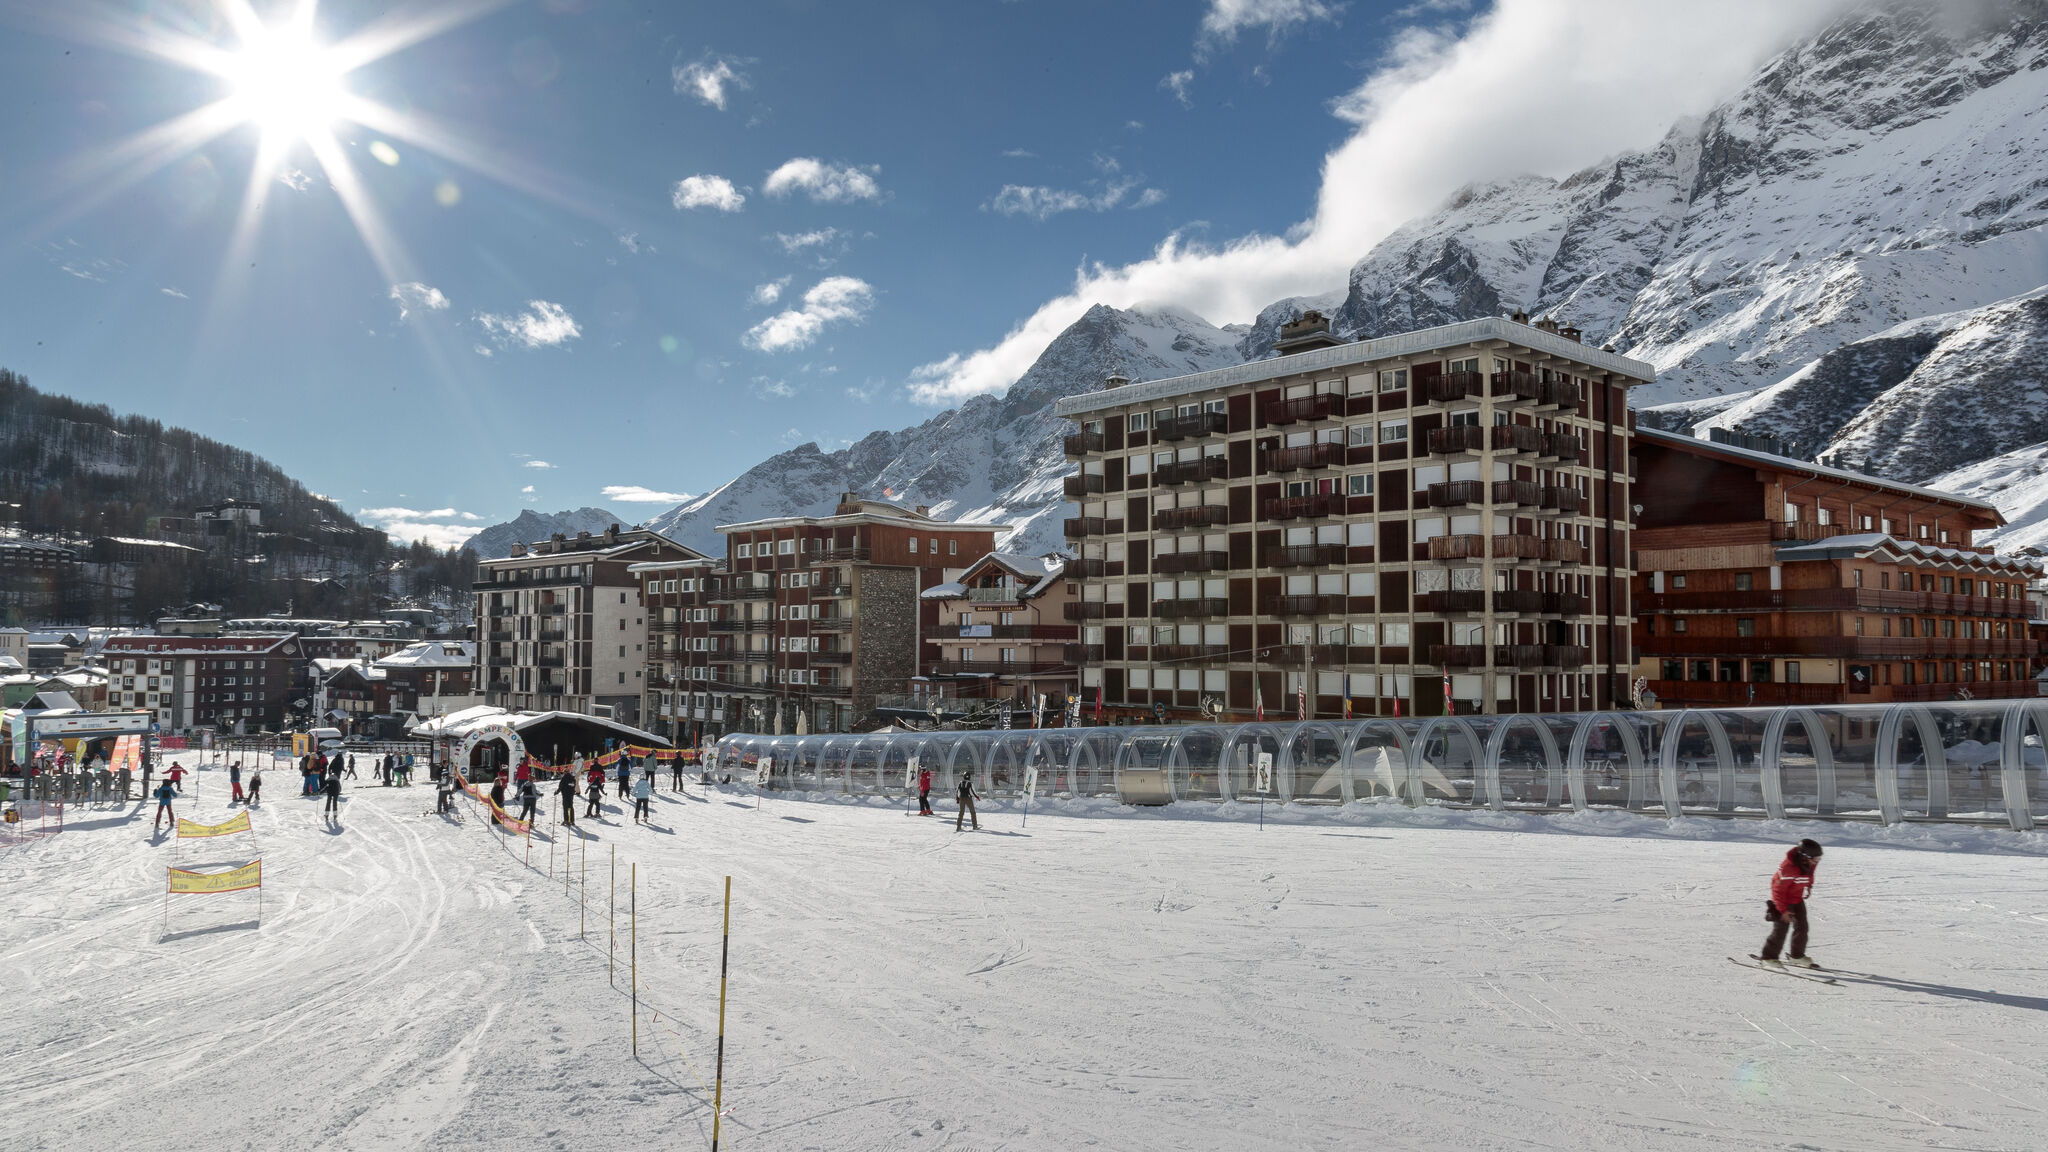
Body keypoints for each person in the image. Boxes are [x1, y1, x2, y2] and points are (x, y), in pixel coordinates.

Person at [1759, 838, 1824, 969]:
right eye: (1816, 859)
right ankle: (1768, 957)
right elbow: (1778, 890)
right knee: (1781, 930)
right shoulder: (1788, 867)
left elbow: (1810, 874)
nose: (1817, 862)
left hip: (1797, 898)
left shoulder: (1809, 862)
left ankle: (1796, 956)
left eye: (1819, 859)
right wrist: (1782, 910)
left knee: (1802, 928)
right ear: (1805, 857)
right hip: (1783, 901)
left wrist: (1809, 886)